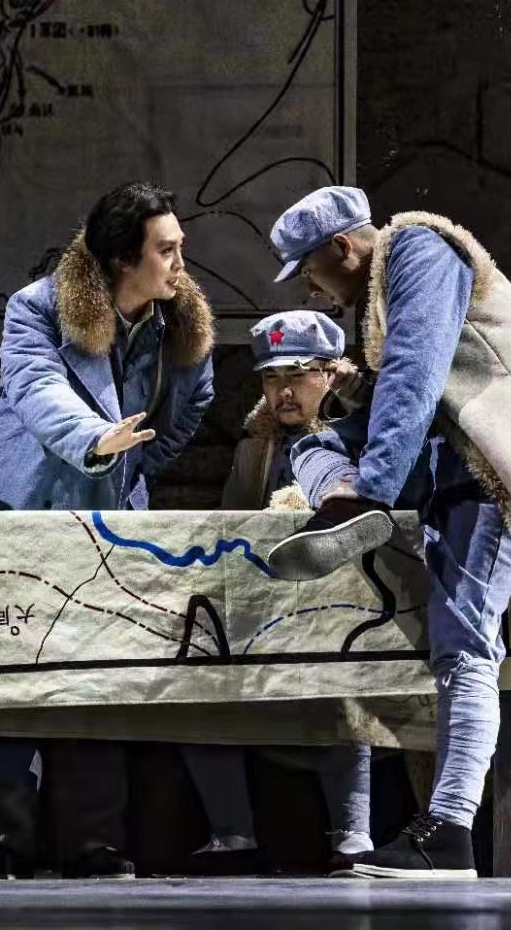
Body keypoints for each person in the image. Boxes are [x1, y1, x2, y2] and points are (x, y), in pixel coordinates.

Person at [267, 185, 511, 878]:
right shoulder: (382, 285)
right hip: (447, 474)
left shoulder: (418, 250)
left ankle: (450, 831)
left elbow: (417, 372)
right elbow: (404, 388)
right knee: (311, 444)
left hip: (488, 475)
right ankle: (336, 493)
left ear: (342, 248)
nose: (313, 288)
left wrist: (373, 490)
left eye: (311, 270)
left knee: (466, 646)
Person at [0, 180, 215, 879]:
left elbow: (192, 404)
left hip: (107, 518)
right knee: (3, 675)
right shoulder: (36, 308)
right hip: (21, 508)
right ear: (123, 258)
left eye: (180, 247)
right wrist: (98, 440)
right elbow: (36, 387)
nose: (180, 263)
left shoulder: (179, 324)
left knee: (96, 674)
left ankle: (91, 838)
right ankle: (4, 836)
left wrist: (135, 464)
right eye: (166, 250)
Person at [180, 310, 374, 872]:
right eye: (271, 378)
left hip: (342, 604)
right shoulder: (256, 448)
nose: (283, 392)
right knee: (193, 686)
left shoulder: (362, 439)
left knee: (342, 691)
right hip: (262, 603)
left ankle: (353, 832)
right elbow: (231, 525)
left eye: (297, 376)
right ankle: (231, 833)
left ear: (330, 375)